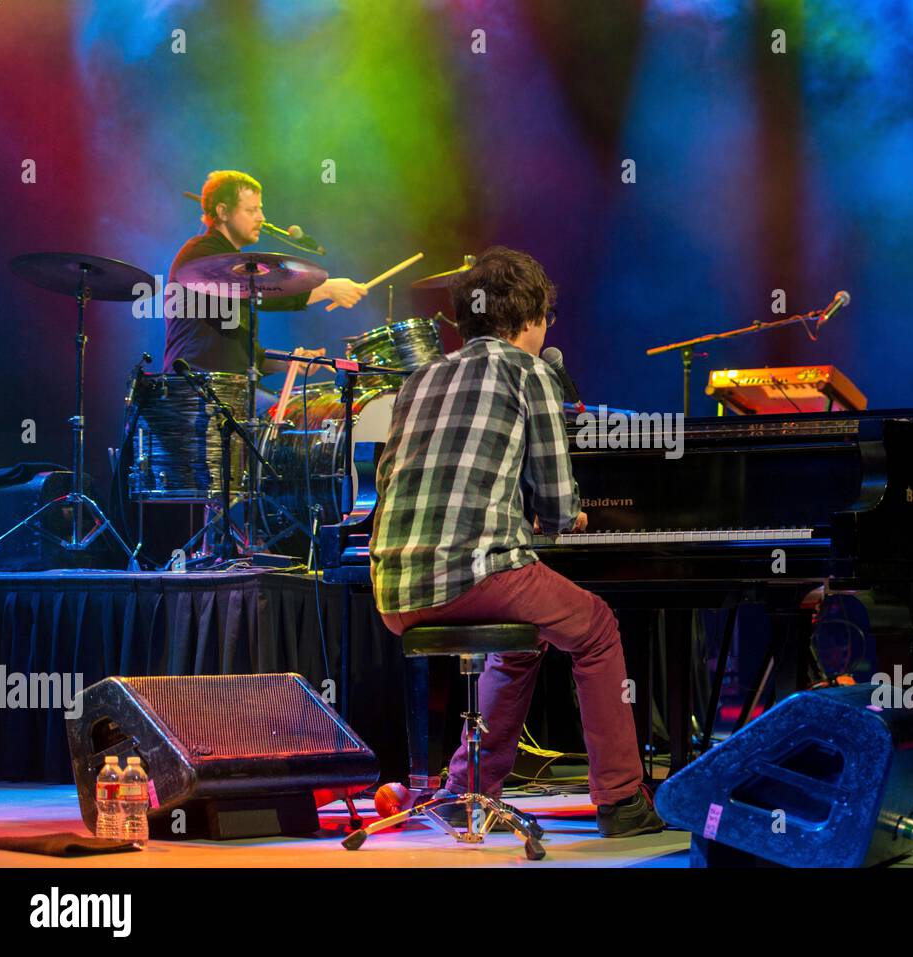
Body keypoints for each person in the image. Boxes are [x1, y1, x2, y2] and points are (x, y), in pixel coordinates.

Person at [370, 246, 664, 837]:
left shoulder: (419, 378)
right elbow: (556, 505)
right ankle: (623, 801)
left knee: (523, 644)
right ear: (531, 318)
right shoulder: (530, 371)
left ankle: (468, 789)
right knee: (597, 627)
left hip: (394, 589)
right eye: (546, 319)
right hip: (474, 573)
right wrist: (572, 519)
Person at [163, 169, 367, 413]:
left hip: (228, 387)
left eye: (260, 208)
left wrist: (292, 362)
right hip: (198, 389)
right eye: (251, 210)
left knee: (302, 416)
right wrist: (326, 289)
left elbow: (239, 352)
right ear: (223, 212)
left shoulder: (227, 261)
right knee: (300, 419)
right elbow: (259, 292)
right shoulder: (203, 255)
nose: (261, 217)